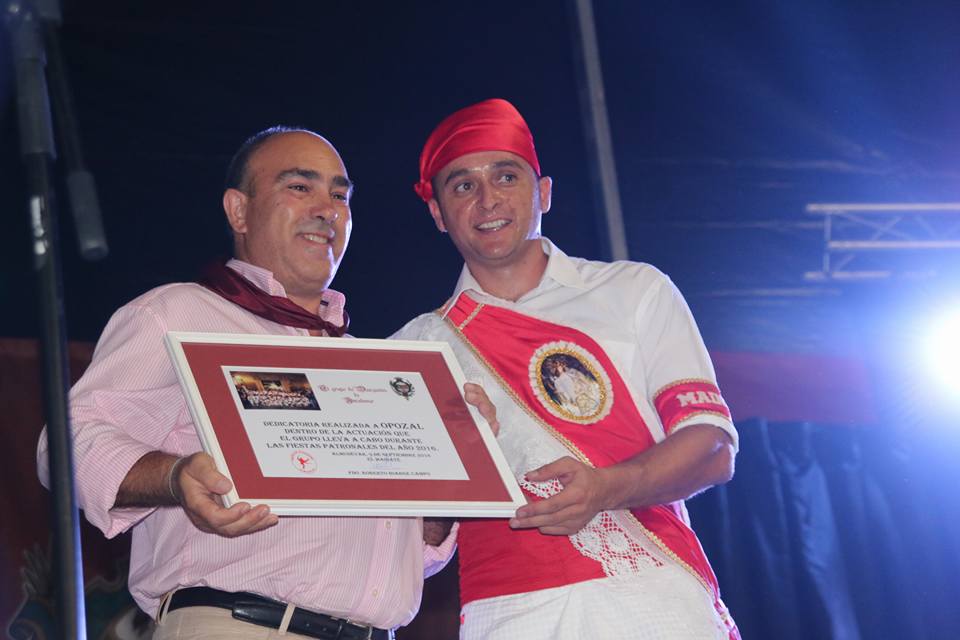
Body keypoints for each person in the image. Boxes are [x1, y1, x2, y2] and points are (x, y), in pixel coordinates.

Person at [36, 126, 494, 640]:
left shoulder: (373, 371)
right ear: (238, 211)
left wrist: (453, 467)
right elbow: (67, 445)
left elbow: (405, 557)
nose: (327, 210)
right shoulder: (180, 313)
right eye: (299, 187)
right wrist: (175, 476)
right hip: (242, 626)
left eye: (339, 196)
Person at [393, 99, 741, 639]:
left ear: (544, 192)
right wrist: (449, 464)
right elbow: (411, 534)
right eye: (462, 186)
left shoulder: (633, 290)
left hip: (656, 596)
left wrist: (606, 487)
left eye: (506, 176)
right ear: (438, 213)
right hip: (507, 612)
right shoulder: (414, 348)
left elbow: (713, 448)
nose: (487, 199)